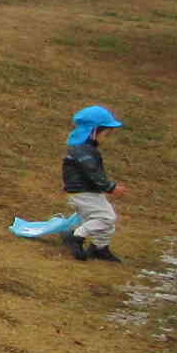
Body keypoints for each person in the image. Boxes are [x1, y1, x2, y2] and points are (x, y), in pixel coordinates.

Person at [60, 105, 125, 264]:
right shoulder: (83, 151)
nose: (106, 138)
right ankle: (76, 236)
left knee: (107, 217)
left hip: (88, 191)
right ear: (94, 131)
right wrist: (110, 187)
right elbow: (92, 172)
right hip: (83, 192)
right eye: (106, 134)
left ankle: (99, 247)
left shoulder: (84, 149)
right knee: (106, 218)